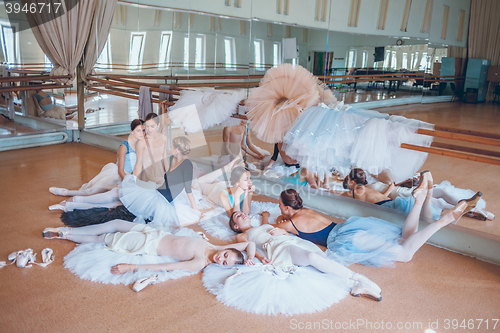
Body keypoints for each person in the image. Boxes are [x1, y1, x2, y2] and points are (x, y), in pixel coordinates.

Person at [273, 180, 481, 267]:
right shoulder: (306, 210)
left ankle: (445, 220)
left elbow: (272, 227)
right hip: (347, 227)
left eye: (280, 206)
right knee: (405, 237)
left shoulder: (290, 224)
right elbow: (285, 220)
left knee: (405, 255)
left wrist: (269, 217)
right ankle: (418, 201)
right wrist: (285, 217)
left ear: (286, 207)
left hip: (345, 239)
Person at [229, 211, 383, 301]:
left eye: (242, 212)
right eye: (237, 216)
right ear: (236, 226)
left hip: (291, 239)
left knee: (323, 262)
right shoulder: (242, 236)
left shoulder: (261, 225)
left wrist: (275, 224)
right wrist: (261, 258)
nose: (242, 214)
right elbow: (251, 246)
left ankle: (354, 285)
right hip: (281, 247)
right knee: (312, 258)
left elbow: (268, 223)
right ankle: (359, 278)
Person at [42, 220, 255, 273]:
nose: (221, 258)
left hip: (147, 244)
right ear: (227, 249)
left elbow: (166, 268)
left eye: (225, 263)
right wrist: (253, 257)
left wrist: (131, 267)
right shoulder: (214, 246)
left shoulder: (200, 263)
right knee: (116, 223)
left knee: (105, 238)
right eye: (226, 255)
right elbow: (250, 243)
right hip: (155, 233)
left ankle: (66, 235)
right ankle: (69, 229)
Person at [49, 119, 145, 199]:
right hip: (117, 173)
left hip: (127, 176)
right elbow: (120, 169)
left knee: (102, 195)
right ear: (132, 131)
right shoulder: (124, 146)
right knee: (92, 191)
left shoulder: (140, 146)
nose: (142, 133)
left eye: (143, 130)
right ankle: (65, 192)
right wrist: (128, 181)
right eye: (138, 130)